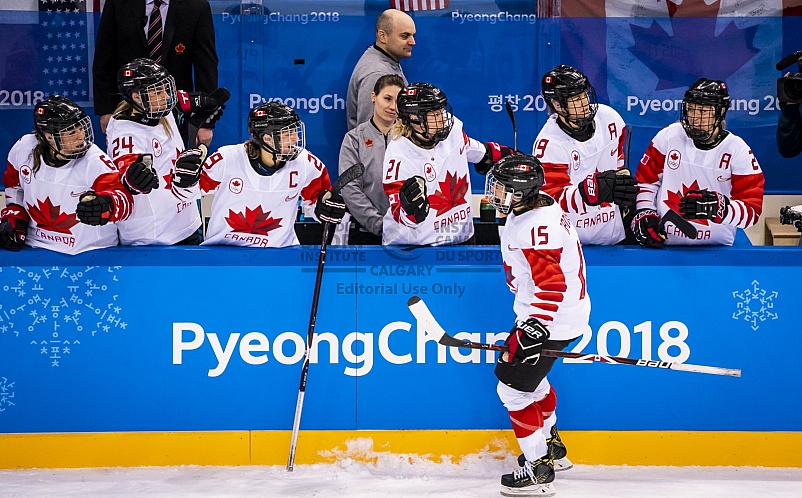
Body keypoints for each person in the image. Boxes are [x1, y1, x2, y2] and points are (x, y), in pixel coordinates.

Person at [485, 154, 588, 497]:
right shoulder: (537, 206)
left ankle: (538, 469)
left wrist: (534, 328)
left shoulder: (536, 227)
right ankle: (551, 447)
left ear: (520, 192)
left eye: (501, 189)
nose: (494, 194)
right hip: (558, 316)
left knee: (512, 391)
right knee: (534, 382)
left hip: (550, 319)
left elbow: (552, 284)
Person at [170, 102, 346, 247]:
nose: (295, 139)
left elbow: (318, 204)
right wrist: (184, 181)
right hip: (224, 254)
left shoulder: (306, 164)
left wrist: (325, 210)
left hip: (279, 256)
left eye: (294, 132)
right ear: (267, 138)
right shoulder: (227, 159)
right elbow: (186, 195)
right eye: (288, 133)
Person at [633, 78, 765, 247]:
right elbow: (646, 182)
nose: (695, 118)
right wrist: (645, 212)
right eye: (690, 110)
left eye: (702, 111)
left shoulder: (738, 150)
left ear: (721, 111)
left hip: (717, 252)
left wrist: (723, 210)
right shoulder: (668, 136)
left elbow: (752, 210)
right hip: (665, 247)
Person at [381, 82, 515, 246]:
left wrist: (506, 156)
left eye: (442, 111)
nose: (443, 119)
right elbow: (400, 213)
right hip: (416, 248)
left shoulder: (451, 130)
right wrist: (411, 211)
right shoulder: (398, 156)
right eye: (435, 114)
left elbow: (475, 150)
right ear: (414, 118)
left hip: (462, 239)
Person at [1, 95, 133, 254]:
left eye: (81, 128)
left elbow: (124, 199)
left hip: (90, 251)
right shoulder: (24, 148)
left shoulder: (94, 160)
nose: (81, 137)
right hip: (36, 248)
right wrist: (15, 213)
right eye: (71, 132)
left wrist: (107, 205)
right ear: (49, 136)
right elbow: (14, 185)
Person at [532, 65, 638, 245]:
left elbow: (619, 164)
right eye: (576, 99)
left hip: (614, 235)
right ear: (558, 105)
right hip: (572, 243)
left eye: (584, 95)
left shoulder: (610, 120)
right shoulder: (549, 144)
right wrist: (589, 192)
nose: (584, 103)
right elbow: (551, 198)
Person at [106, 58, 204, 246]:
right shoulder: (125, 133)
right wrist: (134, 179)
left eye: (165, 89)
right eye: (158, 92)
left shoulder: (160, 111)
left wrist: (202, 104)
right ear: (137, 97)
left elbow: (181, 102)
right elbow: (127, 169)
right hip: (154, 236)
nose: (166, 96)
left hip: (186, 224)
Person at [93, 0, 219, 146]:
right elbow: (103, 59)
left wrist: (204, 121)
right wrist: (106, 110)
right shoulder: (118, 4)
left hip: (174, 113)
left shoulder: (196, 7)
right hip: (128, 111)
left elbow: (206, 67)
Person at [338, 74, 405, 244]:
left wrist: (405, 224)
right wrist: (380, 225)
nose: (392, 107)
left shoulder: (410, 138)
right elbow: (350, 188)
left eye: (397, 101)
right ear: (374, 97)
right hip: (365, 233)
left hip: (407, 232)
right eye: (387, 99)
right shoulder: (354, 139)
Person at [346, 9, 414, 131]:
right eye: (405, 36)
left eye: (413, 35)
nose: (412, 42)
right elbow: (370, 133)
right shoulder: (376, 74)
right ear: (383, 36)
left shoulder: (388, 60)